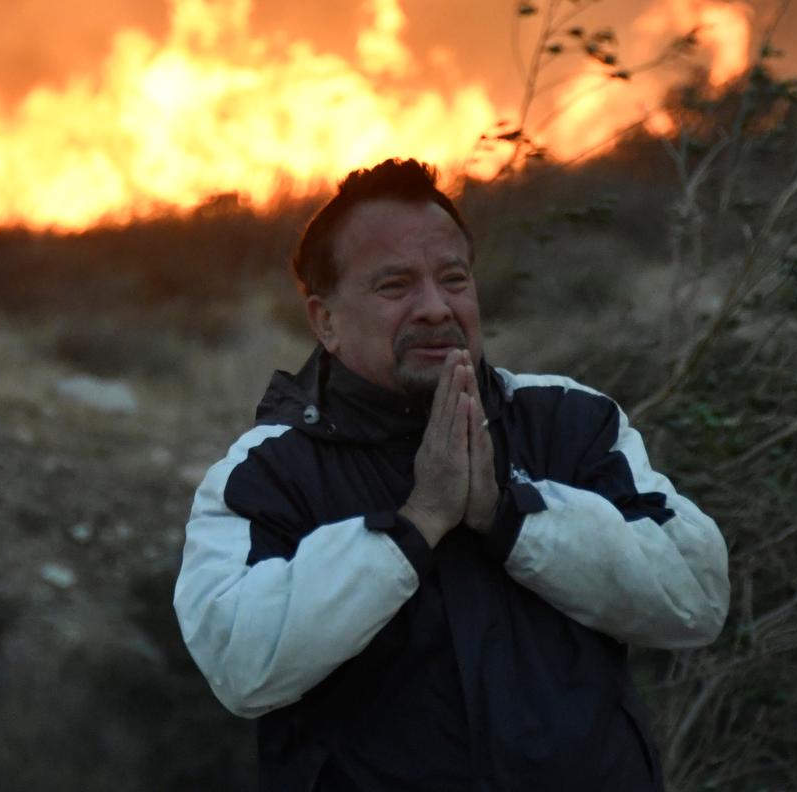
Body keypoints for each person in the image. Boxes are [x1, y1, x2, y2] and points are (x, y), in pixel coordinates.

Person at [173, 158, 730, 790]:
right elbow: (240, 662)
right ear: (324, 321)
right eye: (395, 286)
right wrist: (414, 526)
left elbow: (696, 596)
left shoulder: (569, 421)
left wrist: (510, 516)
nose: (436, 308)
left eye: (454, 279)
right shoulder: (268, 472)